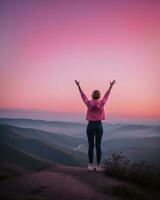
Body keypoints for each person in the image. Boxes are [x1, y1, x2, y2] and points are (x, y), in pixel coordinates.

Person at [75, 79, 116, 171]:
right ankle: (98, 166)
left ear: (92, 95)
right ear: (99, 96)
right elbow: (107, 95)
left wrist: (79, 86)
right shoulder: (102, 103)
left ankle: (90, 165)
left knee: (90, 146)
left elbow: (83, 96)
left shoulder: (89, 103)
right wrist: (110, 87)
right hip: (99, 125)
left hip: (90, 125)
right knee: (98, 146)